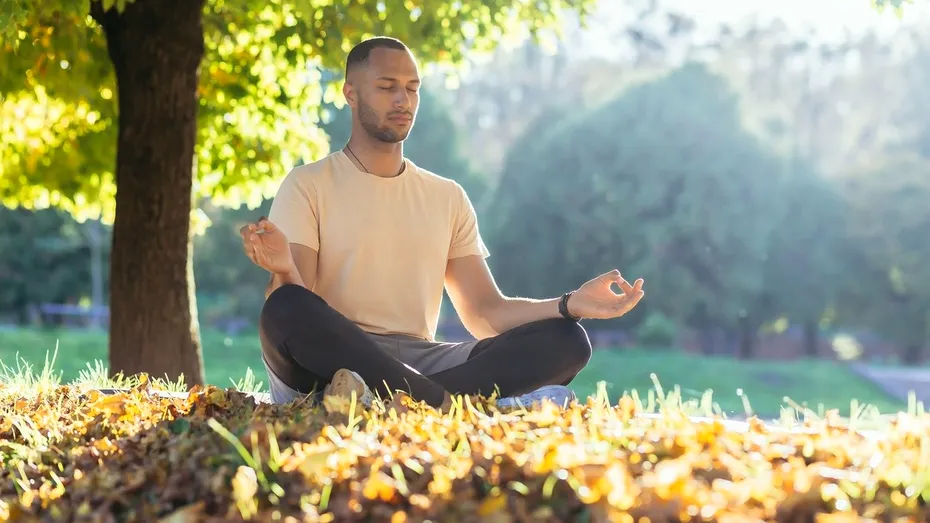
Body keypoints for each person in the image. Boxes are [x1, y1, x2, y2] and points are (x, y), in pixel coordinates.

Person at [240, 36, 645, 412]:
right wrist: (283, 270)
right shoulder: (308, 184)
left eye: (412, 88)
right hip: (337, 362)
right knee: (286, 307)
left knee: (566, 338)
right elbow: (299, 308)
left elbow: (486, 313)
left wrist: (570, 304)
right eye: (387, 86)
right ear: (351, 93)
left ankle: (398, 404)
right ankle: (453, 408)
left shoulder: (446, 196)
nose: (403, 99)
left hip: (423, 362)